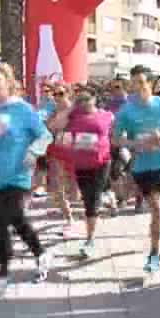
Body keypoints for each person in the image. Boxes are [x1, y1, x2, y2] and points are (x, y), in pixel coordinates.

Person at [0, 63, 54, 292]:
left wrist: (34, 151)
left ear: (8, 82)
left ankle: (3, 271)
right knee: (17, 220)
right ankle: (41, 253)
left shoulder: (22, 109)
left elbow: (45, 135)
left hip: (18, 174)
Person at [113, 65, 160, 273]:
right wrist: (134, 144)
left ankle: (154, 254)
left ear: (150, 83)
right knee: (158, 203)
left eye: (141, 82)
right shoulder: (126, 110)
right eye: (134, 83)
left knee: (155, 208)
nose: (137, 87)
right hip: (141, 164)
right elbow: (115, 138)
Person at [49, 87, 114, 257]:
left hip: (102, 163)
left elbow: (115, 130)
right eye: (81, 98)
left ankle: (90, 239)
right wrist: (71, 108)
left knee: (93, 199)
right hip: (81, 164)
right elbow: (54, 127)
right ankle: (104, 197)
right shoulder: (72, 116)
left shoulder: (105, 115)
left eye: (88, 97)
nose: (84, 101)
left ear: (95, 98)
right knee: (86, 199)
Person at [46, 86, 79, 238]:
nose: (58, 96)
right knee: (57, 186)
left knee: (75, 188)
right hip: (56, 151)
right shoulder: (53, 111)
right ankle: (69, 218)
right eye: (55, 94)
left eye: (61, 93)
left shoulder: (75, 110)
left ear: (68, 93)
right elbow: (48, 129)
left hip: (73, 152)